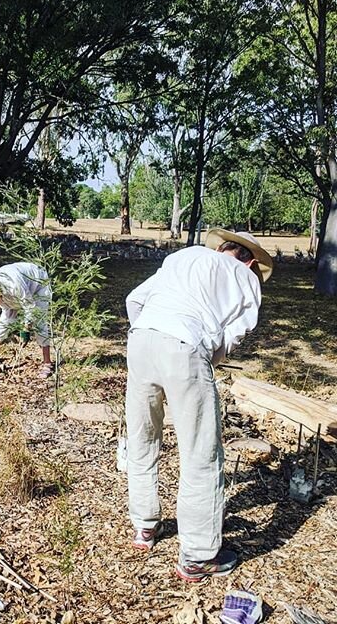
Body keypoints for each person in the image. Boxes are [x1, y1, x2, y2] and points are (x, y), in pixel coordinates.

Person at [124, 229, 273, 582]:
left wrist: (152, 336)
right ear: (250, 261)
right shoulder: (245, 278)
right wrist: (204, 359)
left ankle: (144, 527)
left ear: (221, 248)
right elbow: (234, 335)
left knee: (143, 440)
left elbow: (135, 299)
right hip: (185, 345)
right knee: (201, 453)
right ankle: (198, 555)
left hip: (141, 339)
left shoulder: (183, 256)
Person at [0, 261, 54, 378]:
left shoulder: (14, 285)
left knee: (39, 323)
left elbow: (30, 307)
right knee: (4, 323)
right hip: (15, 291)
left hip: (39, 283)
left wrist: (25, 331)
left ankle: (47, 363)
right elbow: (6, 319)